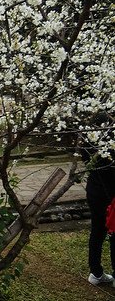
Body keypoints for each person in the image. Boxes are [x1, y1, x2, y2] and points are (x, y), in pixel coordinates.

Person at [82, 112, 115, 286]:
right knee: (113, 233)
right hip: (110, 195)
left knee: (97, 232)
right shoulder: (109, 146)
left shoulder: (87, 142)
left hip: (94, 191)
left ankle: (95, 272)